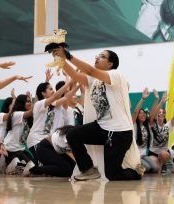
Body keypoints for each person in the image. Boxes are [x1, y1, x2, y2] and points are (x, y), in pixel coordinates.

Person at [54, 47, 143, 181]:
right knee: (73, 134)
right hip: (102, 127)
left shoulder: (116, 75)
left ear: (110, 64)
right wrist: (59, 58)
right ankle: (88, 169)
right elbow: (74, 74)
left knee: (112, 174)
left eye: (102, 56)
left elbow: (90, 70)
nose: (97, 57)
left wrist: (68, 55)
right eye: (97, 55)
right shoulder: (93, 80)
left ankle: (136, 173)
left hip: (119, 133)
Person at [149, 91, 174, 173]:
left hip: (164, 152)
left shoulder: (168, 126)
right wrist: (162, 102)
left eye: (163, 113)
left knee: (164, 154)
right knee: (155, 169)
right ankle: (162, 165)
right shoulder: (152, 124)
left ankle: (165, 164)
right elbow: (153, 113)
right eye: (159, 113)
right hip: (153, 152)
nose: (161, 114)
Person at [132, 88, 157, 173]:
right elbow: (135, 112)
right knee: (148, 168)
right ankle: (133, 166)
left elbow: (153, 112)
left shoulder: (147, 126)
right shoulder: (134, 125)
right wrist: (143, 99)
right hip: (135, 155)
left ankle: (139, 167)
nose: (142, 114)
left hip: (143, 155)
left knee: (155, 168)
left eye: (144, 113)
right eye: (140, 113)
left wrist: (156, 99)